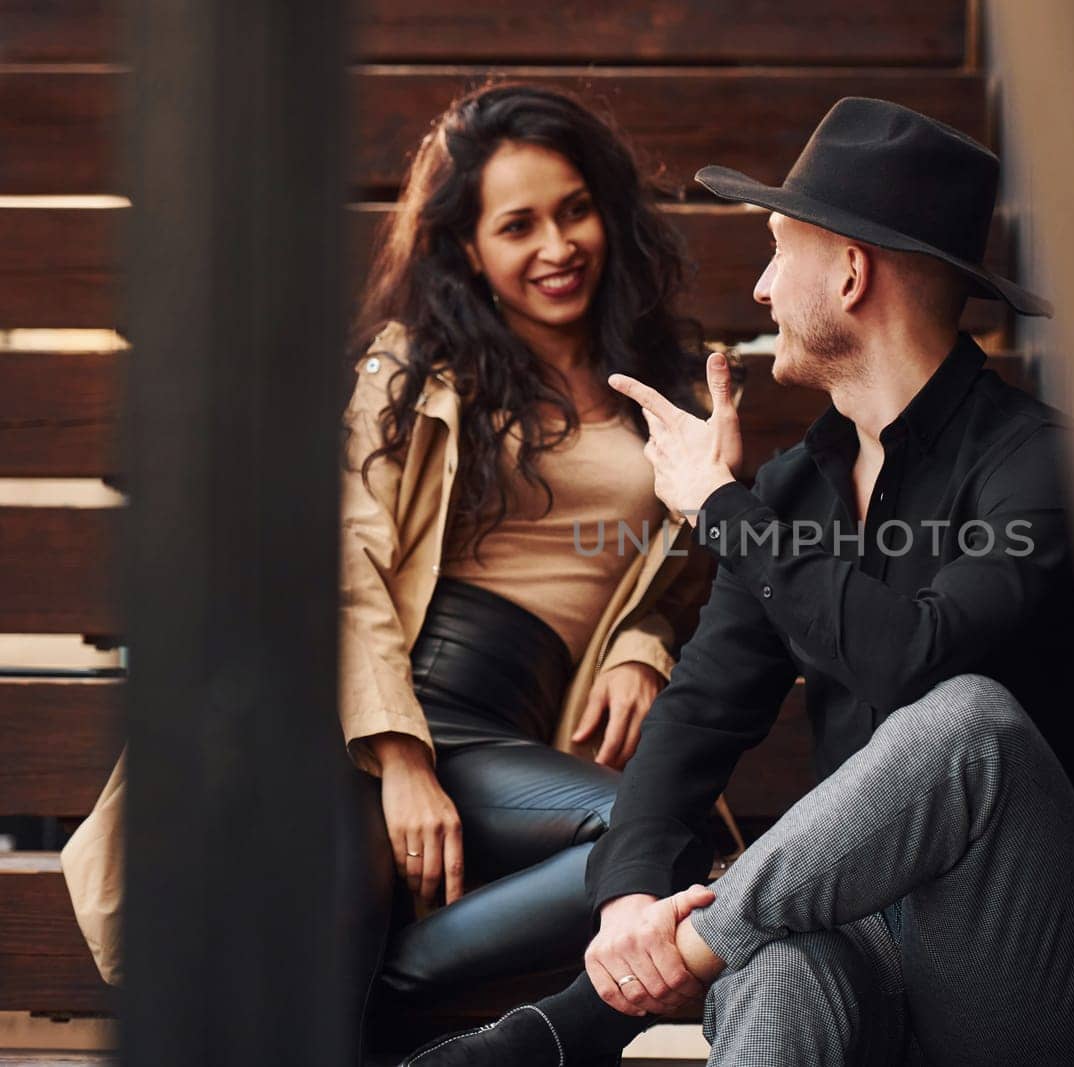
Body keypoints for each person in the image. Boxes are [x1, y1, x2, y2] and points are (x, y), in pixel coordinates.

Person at [400, 97, 1074, 1067]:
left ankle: (578, 1023)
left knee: (967, 721)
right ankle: (648, 977)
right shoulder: (793, 492)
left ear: (849, 270)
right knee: (775, 959)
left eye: (777, 252)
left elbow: (911, 656)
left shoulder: (1034, 464)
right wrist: (629, 914)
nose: (757, 289)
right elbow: (699, 715)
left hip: (1020, 967)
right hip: (865, 942)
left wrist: (718, 507)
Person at [337, 83, 718, 1053]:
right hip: (396, 713)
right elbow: (349, 557)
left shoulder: (660, 381)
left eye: (574, 209)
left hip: (526, 727)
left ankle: (402, 983)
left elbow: (682, 569)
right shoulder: (416, 366)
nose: (557, 246)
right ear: (468, 247)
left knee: (672, 843)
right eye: (518, 225)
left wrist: (643, 639)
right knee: (656, 843)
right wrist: (401, 756)